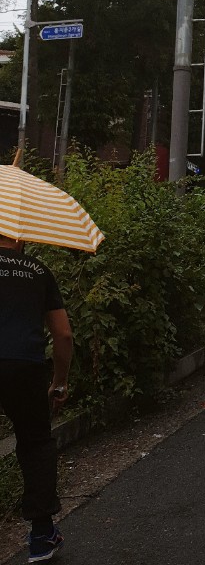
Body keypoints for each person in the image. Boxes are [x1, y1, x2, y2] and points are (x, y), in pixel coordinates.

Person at [0, 235, 73, 563]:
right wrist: (59, 382)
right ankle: (42, 537)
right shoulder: (38, 270)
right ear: (18, 238)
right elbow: (63, 334)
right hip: (25, 367)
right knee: (36, 444)